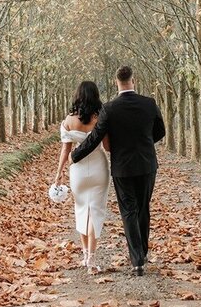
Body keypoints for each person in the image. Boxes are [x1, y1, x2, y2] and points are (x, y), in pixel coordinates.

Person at [70, 65, 165, 277]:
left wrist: (75, 156)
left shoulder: (109, 109)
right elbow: (160, 131)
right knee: (143, 208)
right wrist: (146, 143)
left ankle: (137, 260)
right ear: (134, 80)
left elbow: (95, 137)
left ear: (116, 82)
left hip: (122, 167)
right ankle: (143, 252)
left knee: (129, 211)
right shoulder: (149, 104)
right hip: (147, 164)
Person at [51, 81, 112, 273]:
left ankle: (85, 255)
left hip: (76, 169)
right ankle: (92, 260)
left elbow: (65, 150)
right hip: (99, 167)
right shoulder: (100, 118)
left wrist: (58, 173)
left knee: (81, 210)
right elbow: (108, 146)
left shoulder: (68, 120)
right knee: (95, 211)